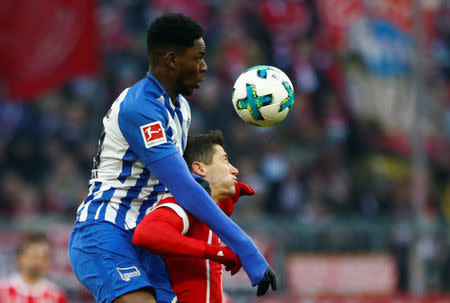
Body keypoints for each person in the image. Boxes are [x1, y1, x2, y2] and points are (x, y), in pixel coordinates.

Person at [68, 13, 275, 303]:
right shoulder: (140, 108)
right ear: (172, 60)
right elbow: (184, 189)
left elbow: (179, 178)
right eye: (198, 57)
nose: (204, 67)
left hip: (148, 239)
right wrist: (246, 248)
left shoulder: (181, 109)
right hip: (106, 229)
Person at [133, 130, 277, 302]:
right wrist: (220, 253)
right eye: (225, 160)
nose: (235, 170)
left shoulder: (206, 215)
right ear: (199, 168)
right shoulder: (184, 203)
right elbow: (146, 234)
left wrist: (227, 202)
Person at [0, 232, 68, 303]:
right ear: (20, 257)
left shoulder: (56, 295)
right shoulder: (3, 291)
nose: (38, 262)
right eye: (34, 256)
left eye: (44, 257)